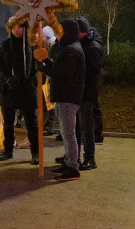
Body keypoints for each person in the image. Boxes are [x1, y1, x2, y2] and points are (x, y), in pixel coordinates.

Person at [37, 19, 85, 180]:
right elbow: (59, 68)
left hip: (68, 96)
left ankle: (73, 167)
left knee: (68, 133)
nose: (58, 33)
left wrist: (44, 66)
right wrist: (46, 62)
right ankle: (68, 161)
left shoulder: (71, 50)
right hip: (64, 96)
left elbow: (61, 74)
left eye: (60, 30)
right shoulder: (68, 48)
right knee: (65, 133)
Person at [0, 17, 41, 164]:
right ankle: (8, 150)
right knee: (8, 122)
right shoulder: (6, 44)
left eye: (20, 26)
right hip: (9, 88)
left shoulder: (31, 44)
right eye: (13, 27)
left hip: (27, 88)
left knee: (31, 123)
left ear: (25, 27)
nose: (17, 29)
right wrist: (8, 79)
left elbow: (37, 64)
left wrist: (32, 80)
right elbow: (0, 64)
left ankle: (36, 152)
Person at [75, 17, 103, 171]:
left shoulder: (92, 47)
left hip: (87, 92)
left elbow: (92, 72)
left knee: (86, 125)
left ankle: (89, 158)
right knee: (78, 125)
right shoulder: (85, 44)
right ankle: (75, 155)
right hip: (81, 91)